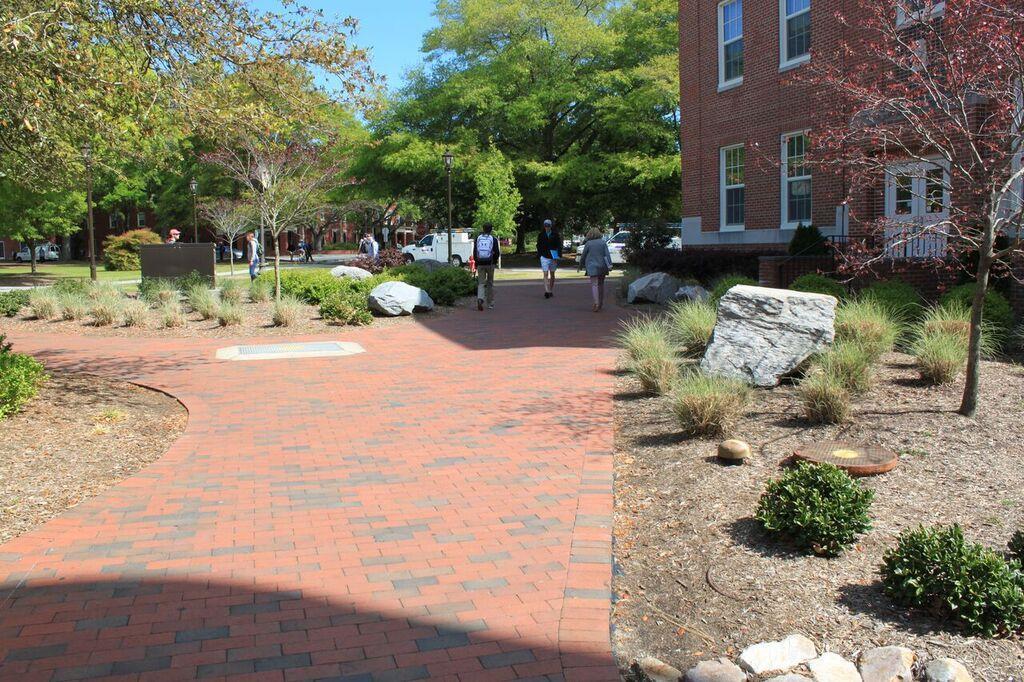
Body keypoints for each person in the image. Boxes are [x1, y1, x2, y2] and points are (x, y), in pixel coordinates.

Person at [578, 228, 613, 312]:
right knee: (601, 284)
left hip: (592, 266)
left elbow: (583, 256)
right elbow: (607, 255)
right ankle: (600, 302)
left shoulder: (588, 243)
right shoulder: (603, 243)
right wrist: (610, 264)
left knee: (594, 284)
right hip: (602, 266)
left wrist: (580, 265)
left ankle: (596, 303)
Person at [473, 223, 501, 311]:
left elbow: (475, 252)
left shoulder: (478, 238)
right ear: (491, 230)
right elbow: (497, 252)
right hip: (490, 264)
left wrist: (476, 262)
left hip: (480, 263)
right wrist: (495, 261)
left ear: (483, 229)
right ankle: (490, 303)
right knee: (490, 283)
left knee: (481, 283)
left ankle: (480, 299)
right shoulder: (493, 239)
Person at [536, 219, 561, 299]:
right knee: (545, 273)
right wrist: (540, 254)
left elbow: (559, 245)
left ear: (551, 226)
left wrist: (558, 256)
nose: (547, 227)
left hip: (553, 256)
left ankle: (550, 290)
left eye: (548, 226)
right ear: (544, 226)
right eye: (546, 226)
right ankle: (547, 290)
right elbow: (538, 245)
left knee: (552, 274)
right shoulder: (541, 235)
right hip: (544, 256)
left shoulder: (555, 234)